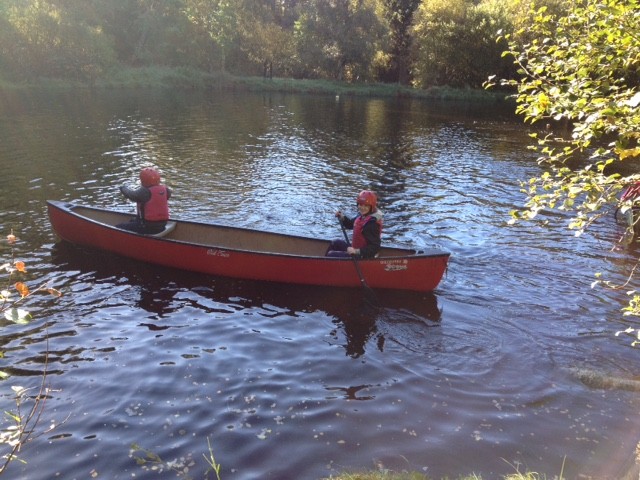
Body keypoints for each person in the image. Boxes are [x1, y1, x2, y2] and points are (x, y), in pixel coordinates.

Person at [326, 190, 383, 259]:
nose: (362, 208)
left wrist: (356, 251)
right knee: (335, 242)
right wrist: (343, 218)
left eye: (366, 206)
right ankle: (323, 262)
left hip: (363, 256)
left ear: (371, 206)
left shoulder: (371, 224)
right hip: (355, 250)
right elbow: (350, 224)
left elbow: (375, 247)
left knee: (331, 254)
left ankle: (324, 264)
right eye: (360, 204)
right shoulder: (362, 215)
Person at [116, 167, 171, 234]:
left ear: (143, 180)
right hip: (162, 225)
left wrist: (123, 188)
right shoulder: (166, 190)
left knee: (119, 227)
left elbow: (131, 195)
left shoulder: (145, 192)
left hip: (147, 226)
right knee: (133, 220)